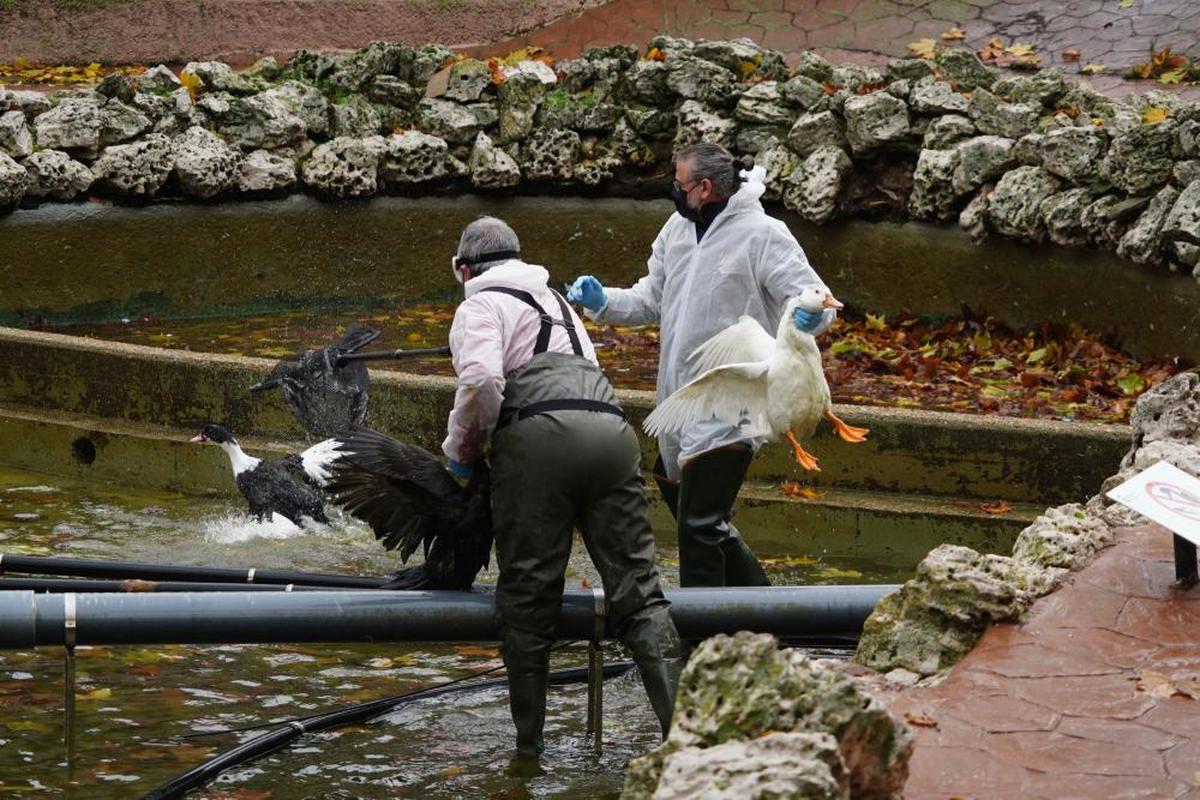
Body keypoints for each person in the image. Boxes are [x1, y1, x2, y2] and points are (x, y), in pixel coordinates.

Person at [442, 216, 683, 761]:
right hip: (612, 432)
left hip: (540, 441)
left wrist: (460, 455)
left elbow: (481, 380)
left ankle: (528, 753)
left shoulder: (478, 304)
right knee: (639, 592)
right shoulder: (559, 303)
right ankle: (688, 741)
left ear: (464, 269)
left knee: (528, 599)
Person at [567, 142, 838, 589]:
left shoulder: (764, 235)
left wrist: (809, 317)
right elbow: (649, 298)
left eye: (679, 184)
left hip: (735, 400)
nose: (673, 191)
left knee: (700, 524)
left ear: (705, 188)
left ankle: (700, 639)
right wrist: (604, 300)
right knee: (701, 522)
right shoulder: (677, 230)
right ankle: (771, 618)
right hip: (679, 392)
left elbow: (813, 297)